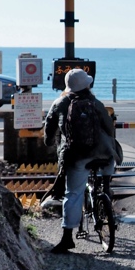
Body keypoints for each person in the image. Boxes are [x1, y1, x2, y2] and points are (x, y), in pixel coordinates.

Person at [43, 68, 119, 254]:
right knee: (109, 160)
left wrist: (49, 143)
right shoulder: (95, 103)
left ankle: (67, 237)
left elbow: (49, 128)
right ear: (87, 85)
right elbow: (109, 129)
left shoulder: (60, 102)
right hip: (102, 155)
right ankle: (106, 192)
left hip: (77, 156)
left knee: (74, 194)